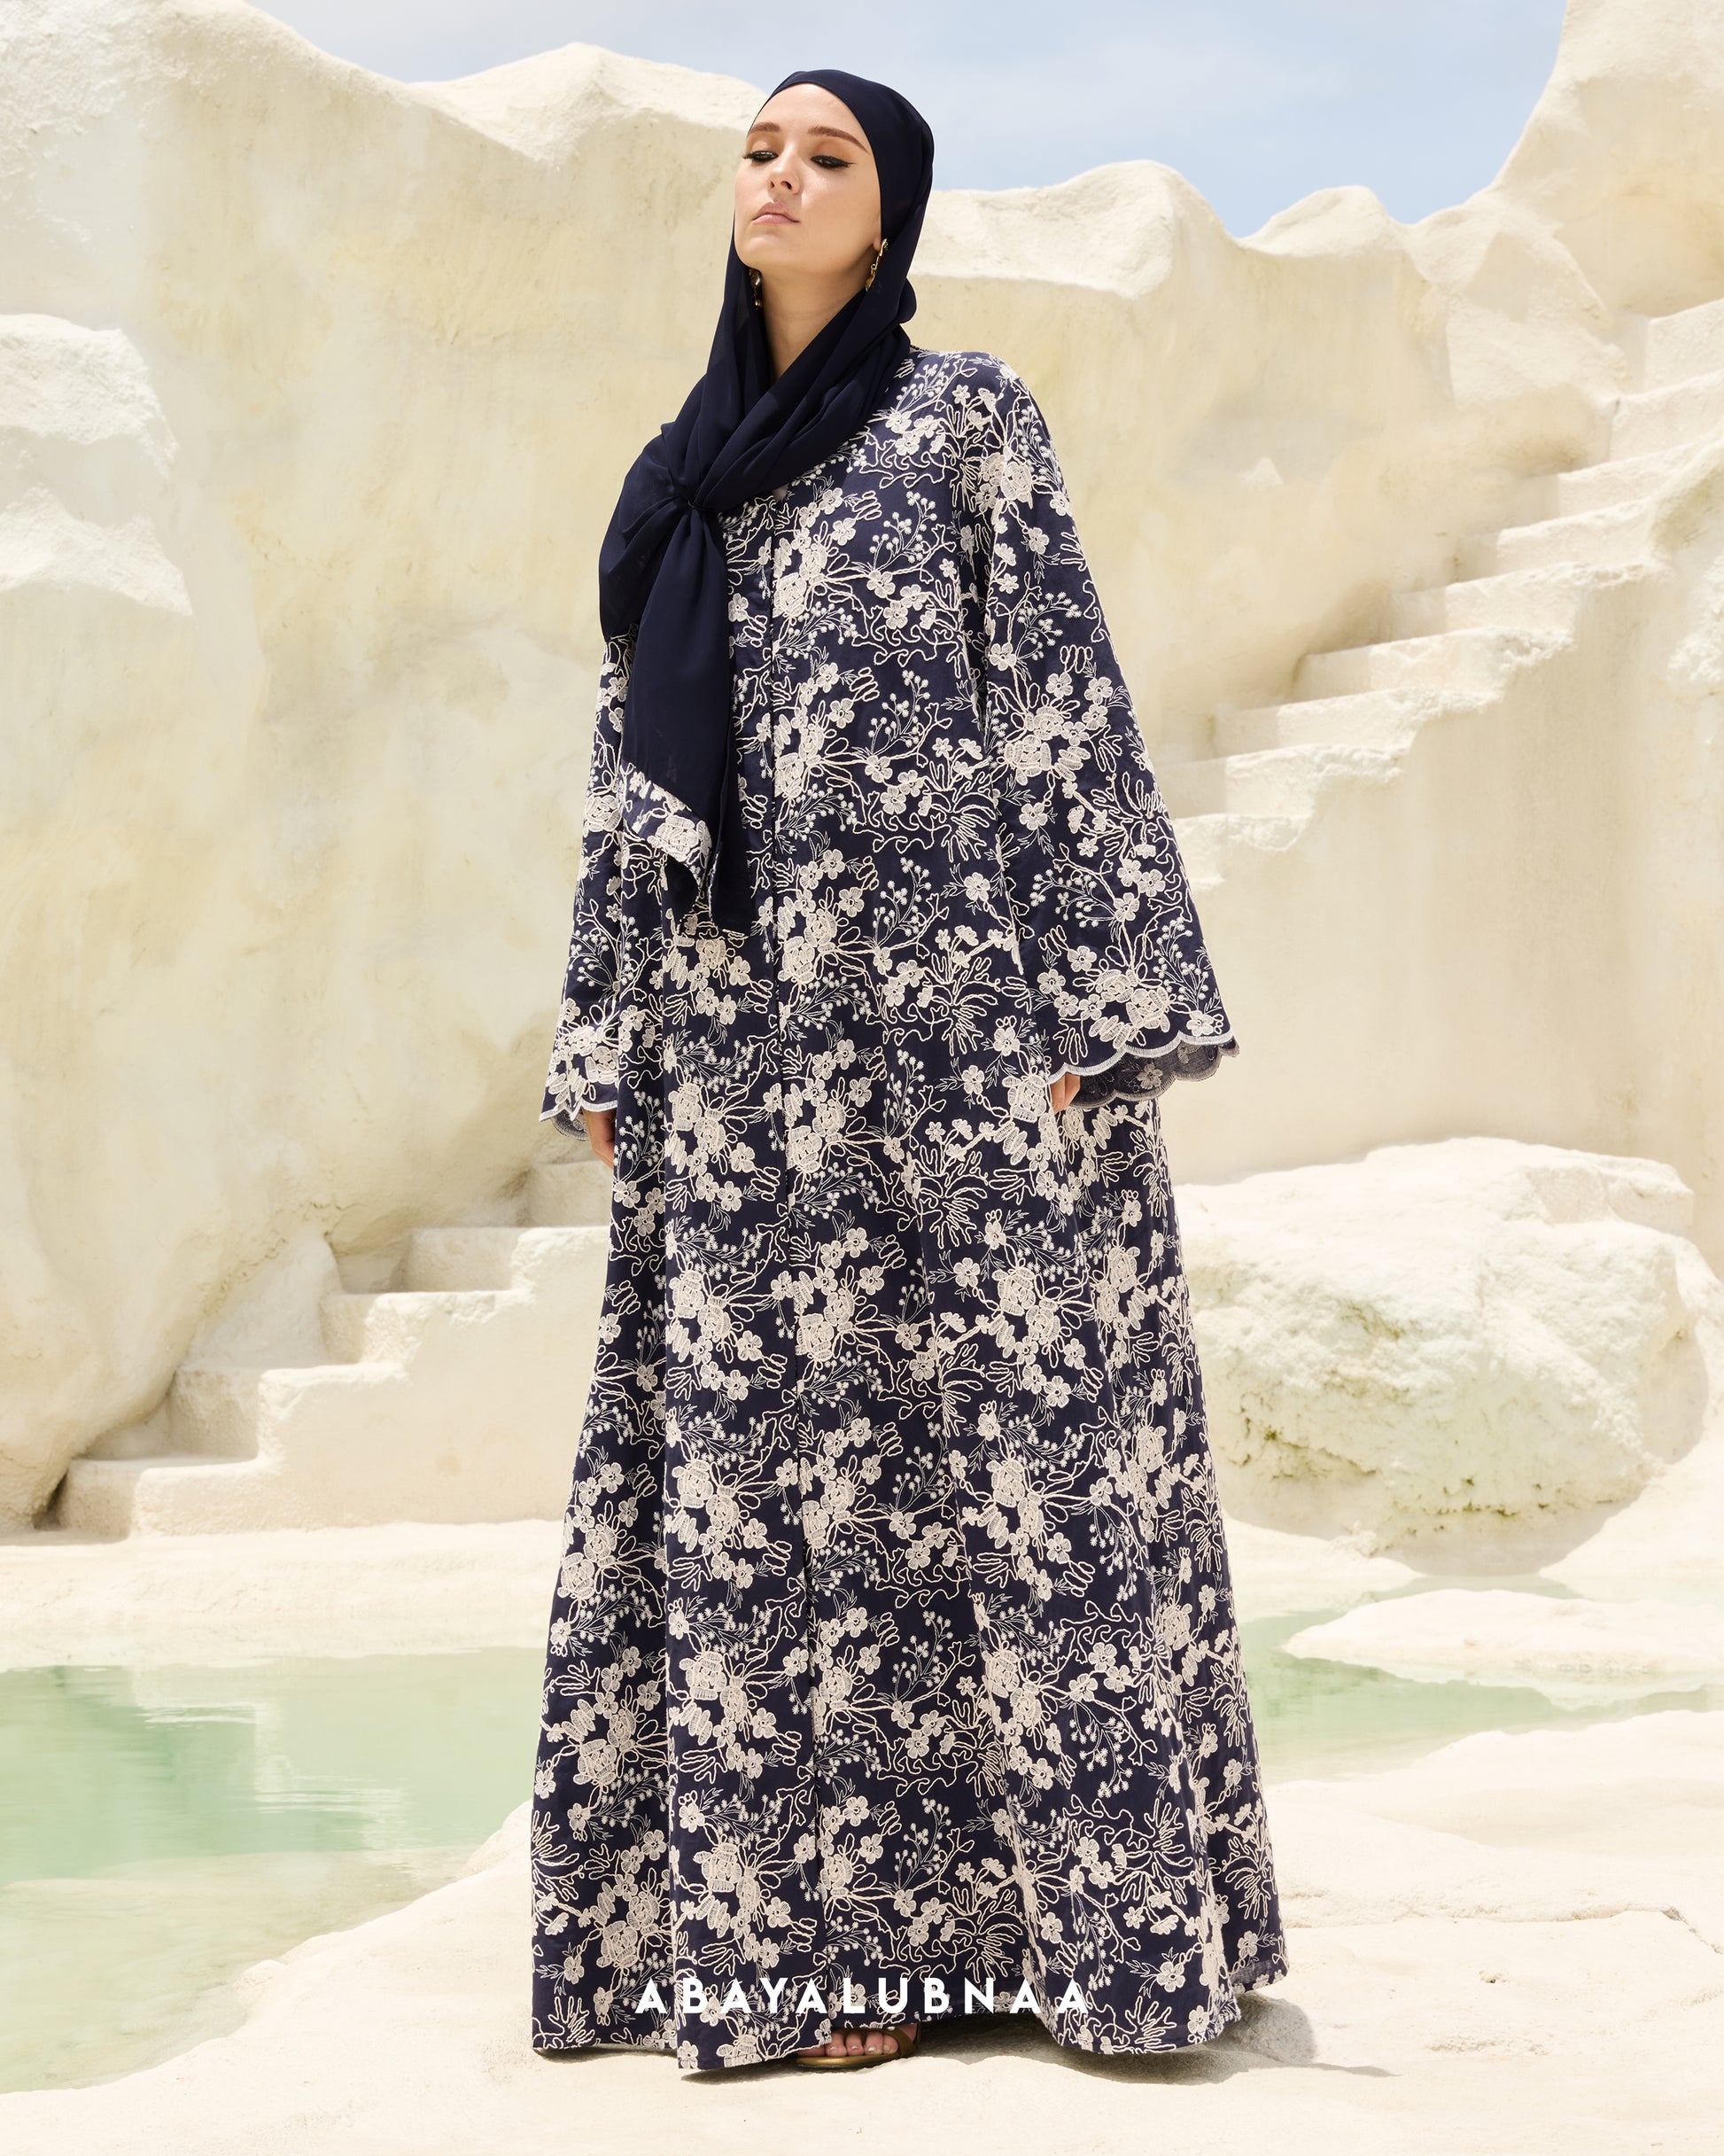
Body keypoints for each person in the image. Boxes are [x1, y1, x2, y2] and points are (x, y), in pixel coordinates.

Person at [529, 65, 1287, 2076]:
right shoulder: (678, 470)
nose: (780, 178)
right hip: (739, 1064)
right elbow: (629, 770)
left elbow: (1058, 702)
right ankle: (810, 1955)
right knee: (776, 1494)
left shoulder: (963, 421)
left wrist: (1095, 1011)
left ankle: (1073, 1940)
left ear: (892, 215)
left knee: (1005, 1465)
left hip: (957, 1044)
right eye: (758, 152)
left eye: (827, 157)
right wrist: (603, 1019)